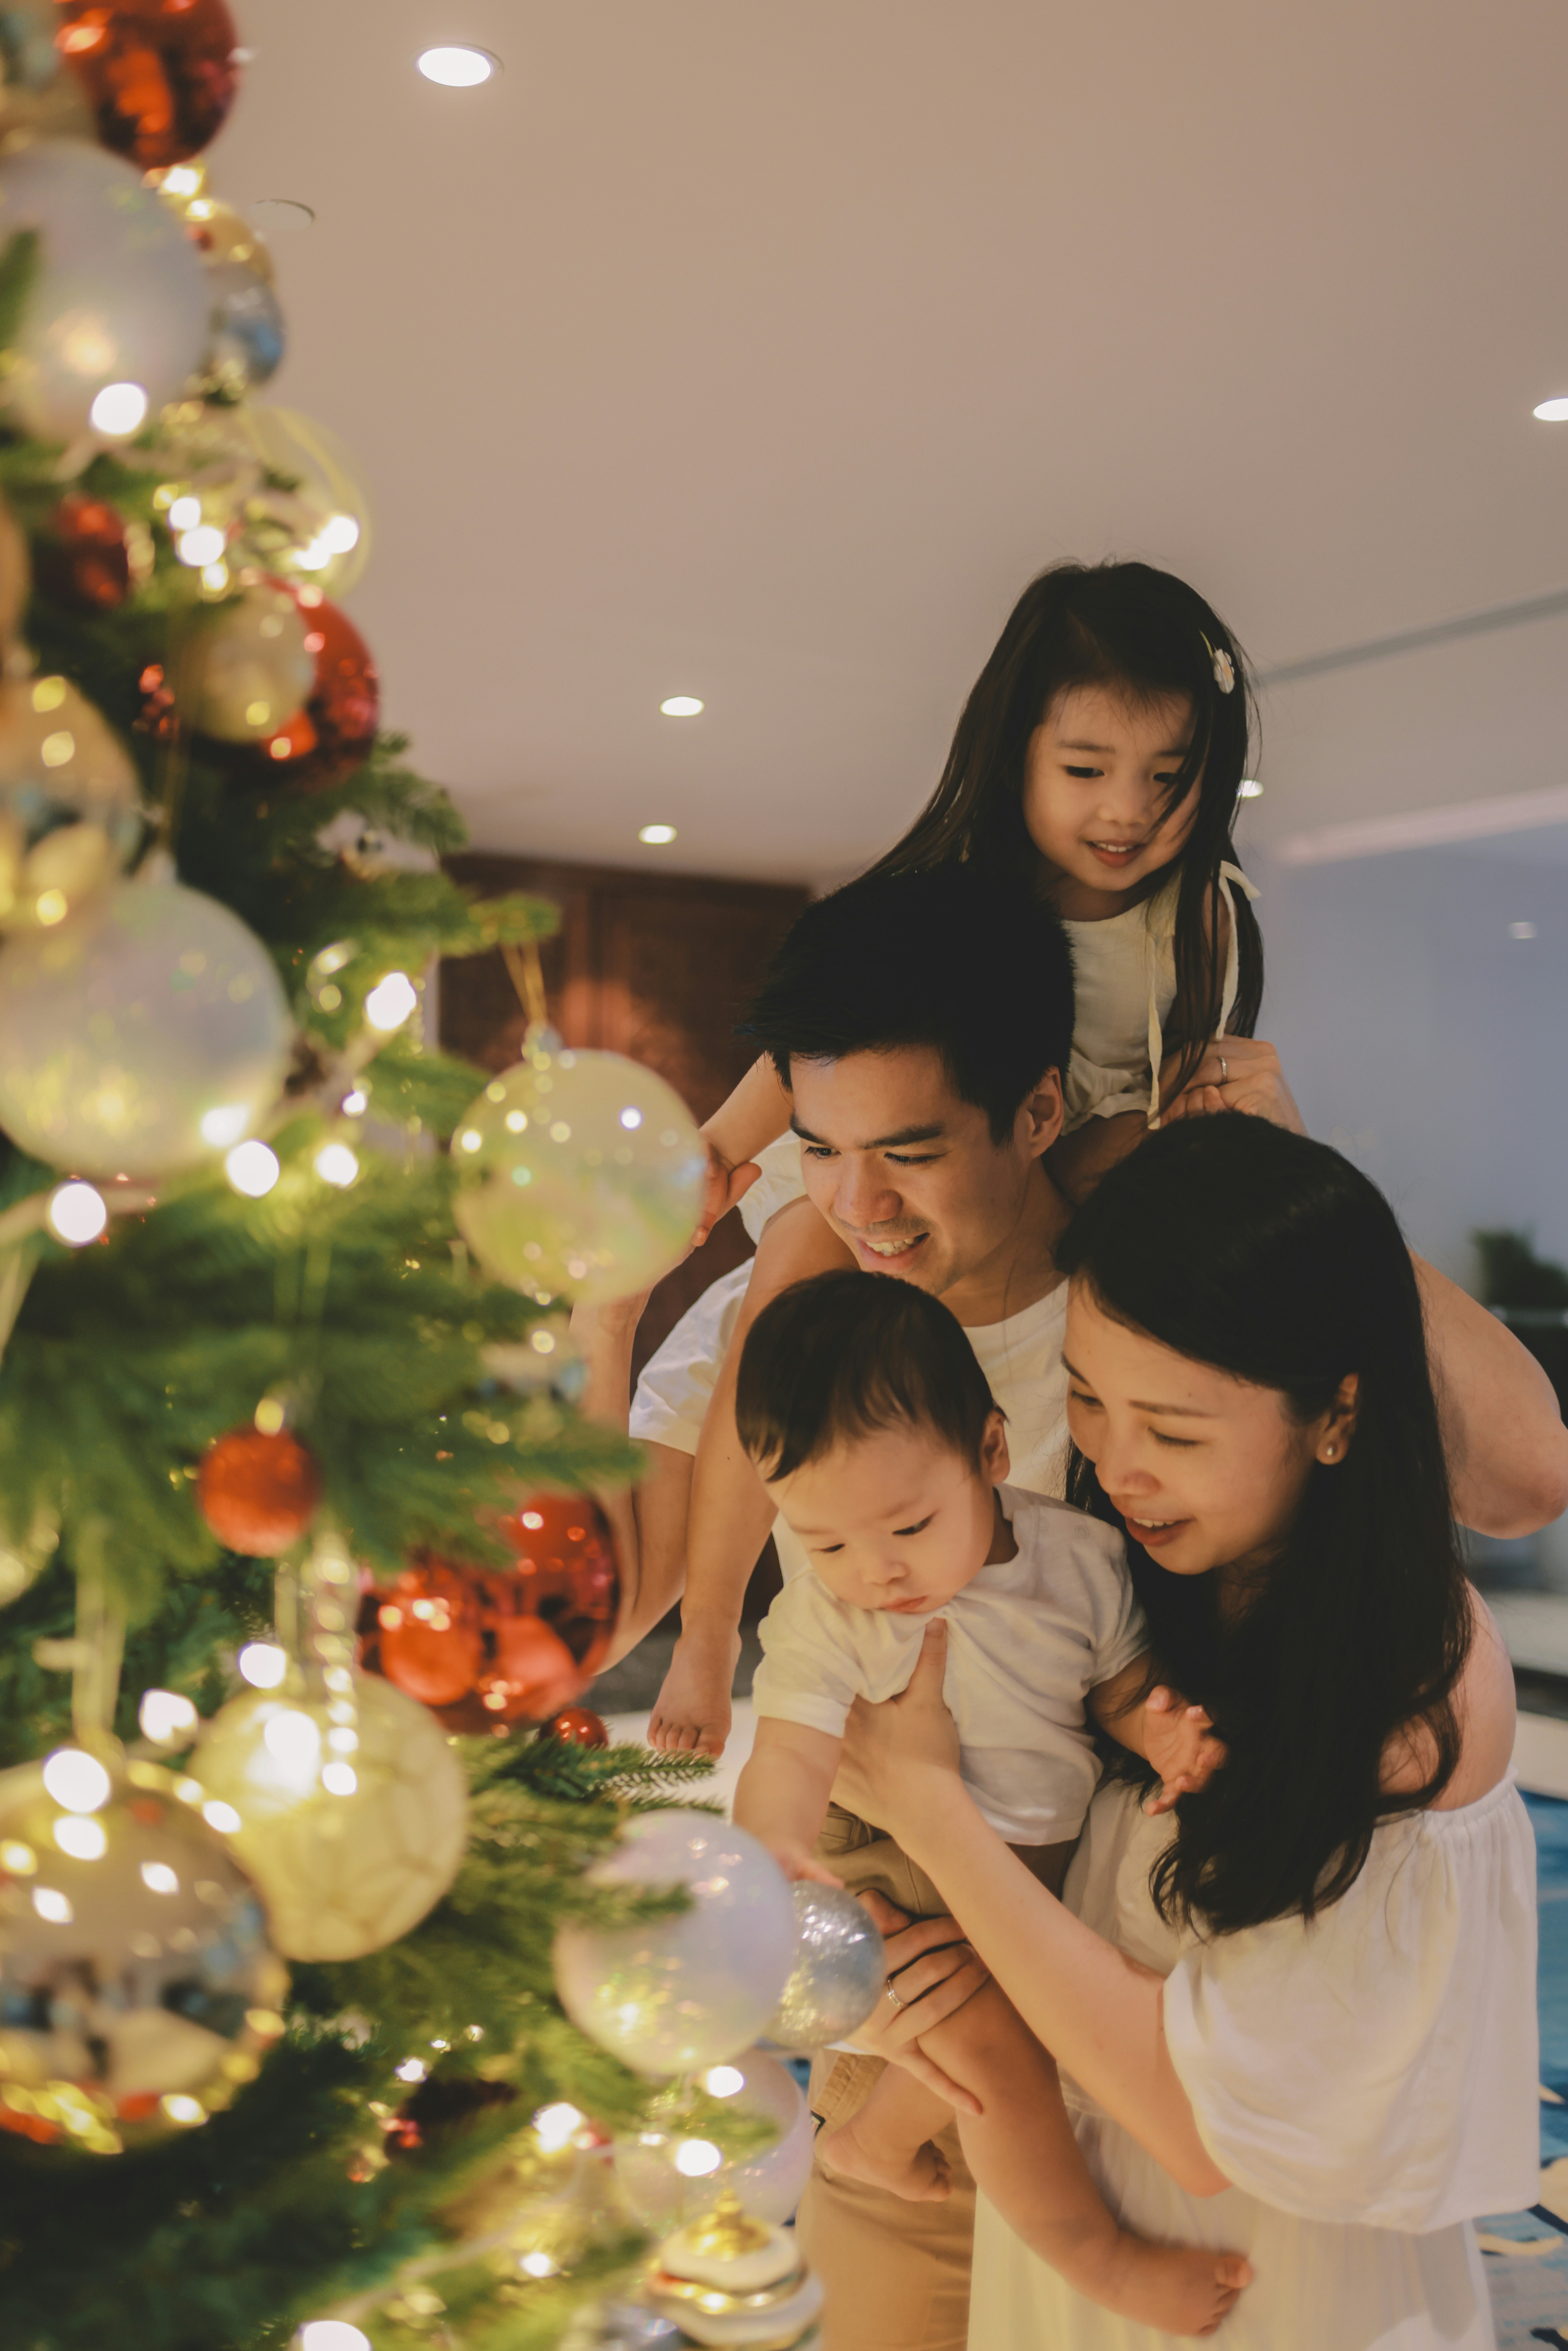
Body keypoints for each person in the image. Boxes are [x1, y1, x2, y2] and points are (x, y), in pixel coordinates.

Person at [573, 856, 1567, 2351]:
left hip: (1132, 2019)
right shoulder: (812, 1316)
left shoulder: (1149, 1285)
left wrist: (1306, 1201)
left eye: (905, 1151)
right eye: (820, 1153)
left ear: (1037, 1114)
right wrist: (603, 1311)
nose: (859, 1206)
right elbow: (600, 1605)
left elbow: (1514, 1474)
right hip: (938, 1988)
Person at [825, 1116, 1540, 2351]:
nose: (1115, 1459)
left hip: (1264, 2294)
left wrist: (934, 1815)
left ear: (1335, 1413)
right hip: (1085, 2265)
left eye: (1176, 1430)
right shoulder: (1141, 1579)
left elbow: (1202, 2124)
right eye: (1089, 1395)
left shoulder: (1402, 1687)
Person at [653, 559, 1271, 1756]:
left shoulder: (1203, 916)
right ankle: (707, 1626)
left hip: (1057, 1173)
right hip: (885, 1161)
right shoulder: (960, 893)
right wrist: (725, 1144)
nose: (1126, 811)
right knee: (770, 1333)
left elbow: (1184, 1083)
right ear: (1016, 754)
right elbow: (822, 1050)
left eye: (1167, 776)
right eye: (1085, 771)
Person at [730, 1268, 1248, 2337]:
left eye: (908, 1526)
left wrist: (1157, 1731)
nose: (873, 1570)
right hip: (889, 1860)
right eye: (823, 1541)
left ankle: (877, 2139)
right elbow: (786, 1749)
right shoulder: (833, 1617)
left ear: (994, 1453)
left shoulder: (1082, 1561)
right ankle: (1095, 2254)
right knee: (1002, 2056)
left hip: (1020, 1866)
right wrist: (773, 1846)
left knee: (1029, 2008)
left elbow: (1113, 1686)